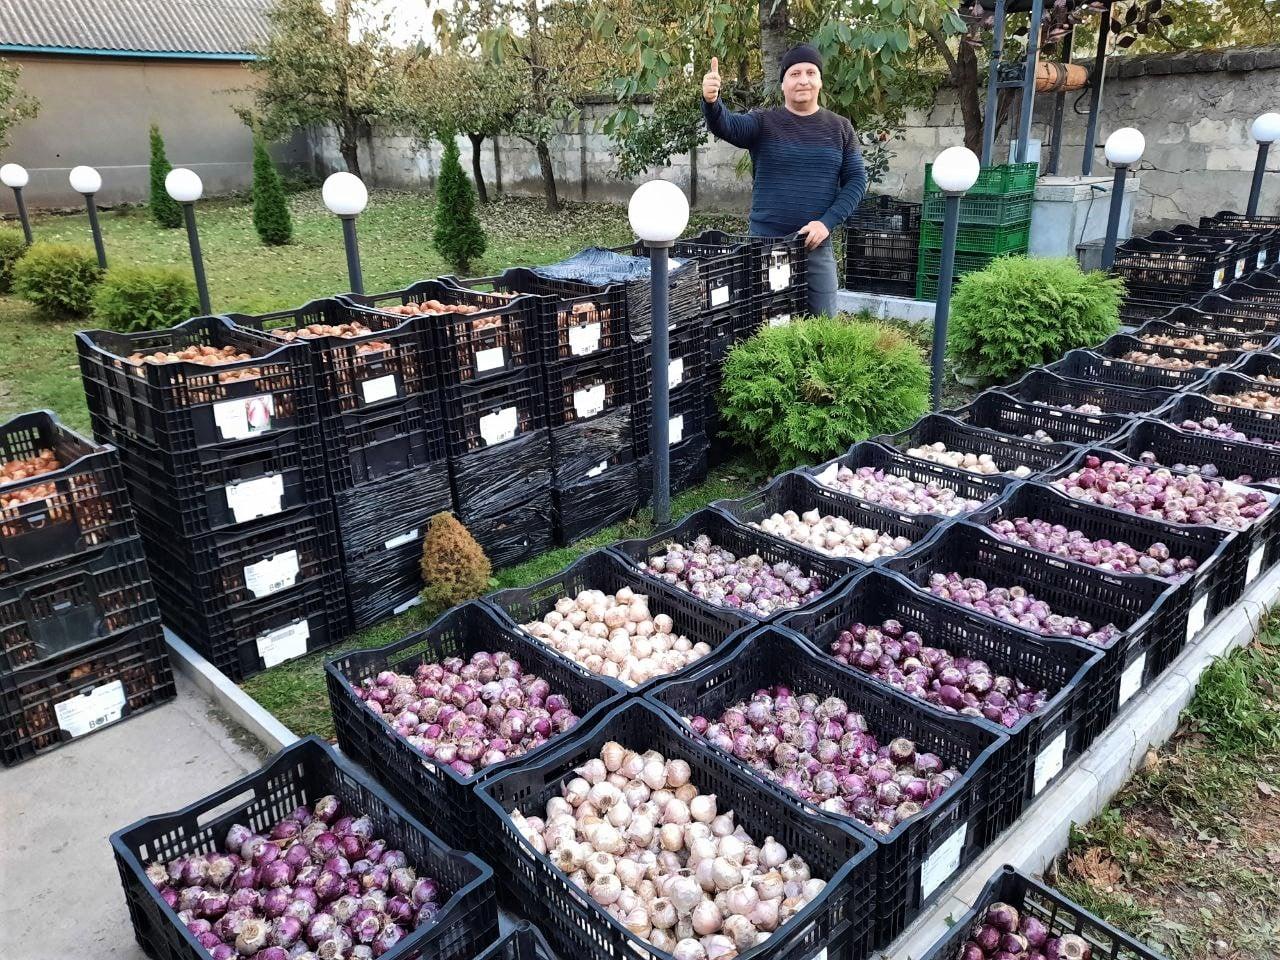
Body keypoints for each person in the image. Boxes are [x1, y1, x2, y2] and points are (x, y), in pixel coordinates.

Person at [700, 44, 866, 318]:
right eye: (795, 73)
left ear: (820, 81)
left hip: (815, 247)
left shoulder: (841, 128)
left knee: (822, 327)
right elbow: (726, 125)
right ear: (783, 84)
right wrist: (712, 102)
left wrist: (826, 223)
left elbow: (857, 180)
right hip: (765, 245)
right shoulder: (764, 122)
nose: (803, 79)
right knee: (761, 326)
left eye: (811, 72)